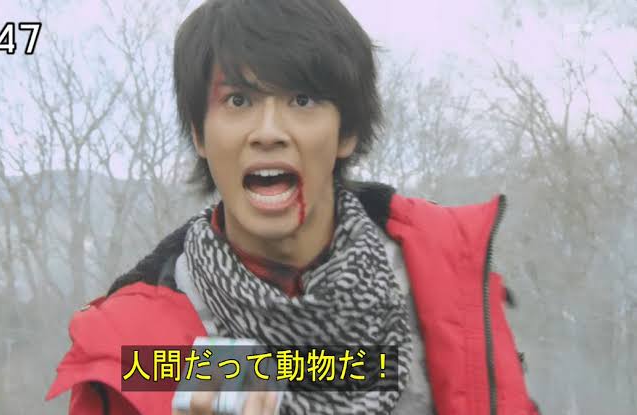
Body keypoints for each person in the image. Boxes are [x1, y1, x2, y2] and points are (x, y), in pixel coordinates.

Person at [46, 0, 541, 414]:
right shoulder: (139, 353)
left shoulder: (446, 280)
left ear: (347, 132)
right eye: (238, 101)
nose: (268, 132)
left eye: (302, 100)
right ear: (199, 134)